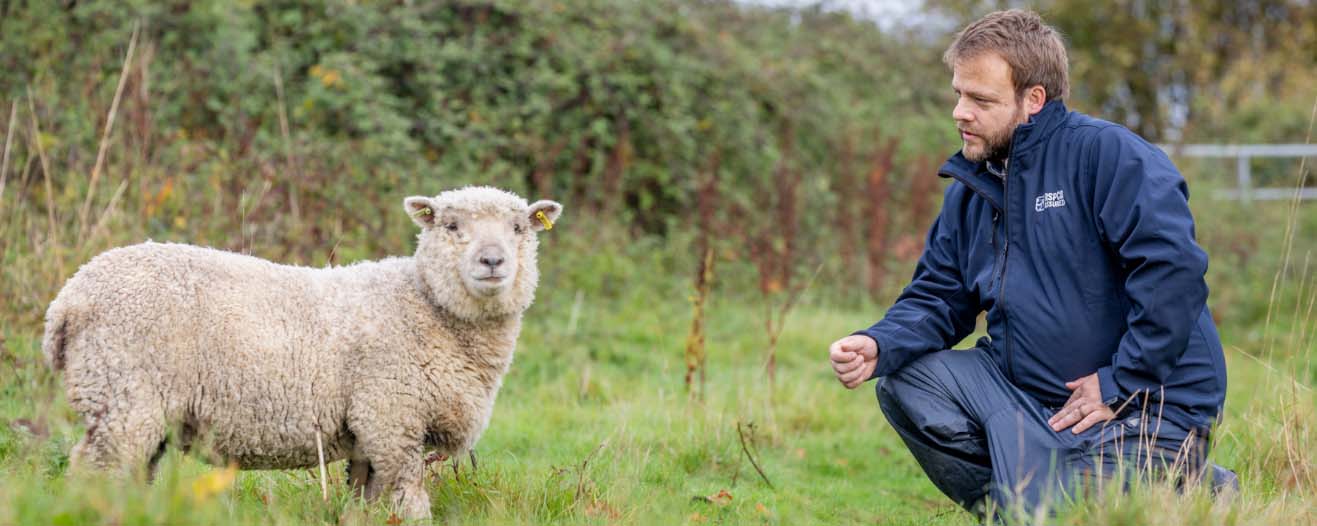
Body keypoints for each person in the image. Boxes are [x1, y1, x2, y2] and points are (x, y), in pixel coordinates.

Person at [827, 9, 1236, 517]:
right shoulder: (975, 186)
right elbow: (940, 294)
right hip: (1030, 400)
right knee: (909, 382)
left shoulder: (1108, 156)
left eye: (980, 99)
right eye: (958, 93)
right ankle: (1021, 503)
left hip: (1146, 407)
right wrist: (879, 342)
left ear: (1033, 100)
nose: (960, 111)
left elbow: (1173, 275)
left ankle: (1192, 484)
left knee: (1070, 514)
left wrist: (1119, 382)